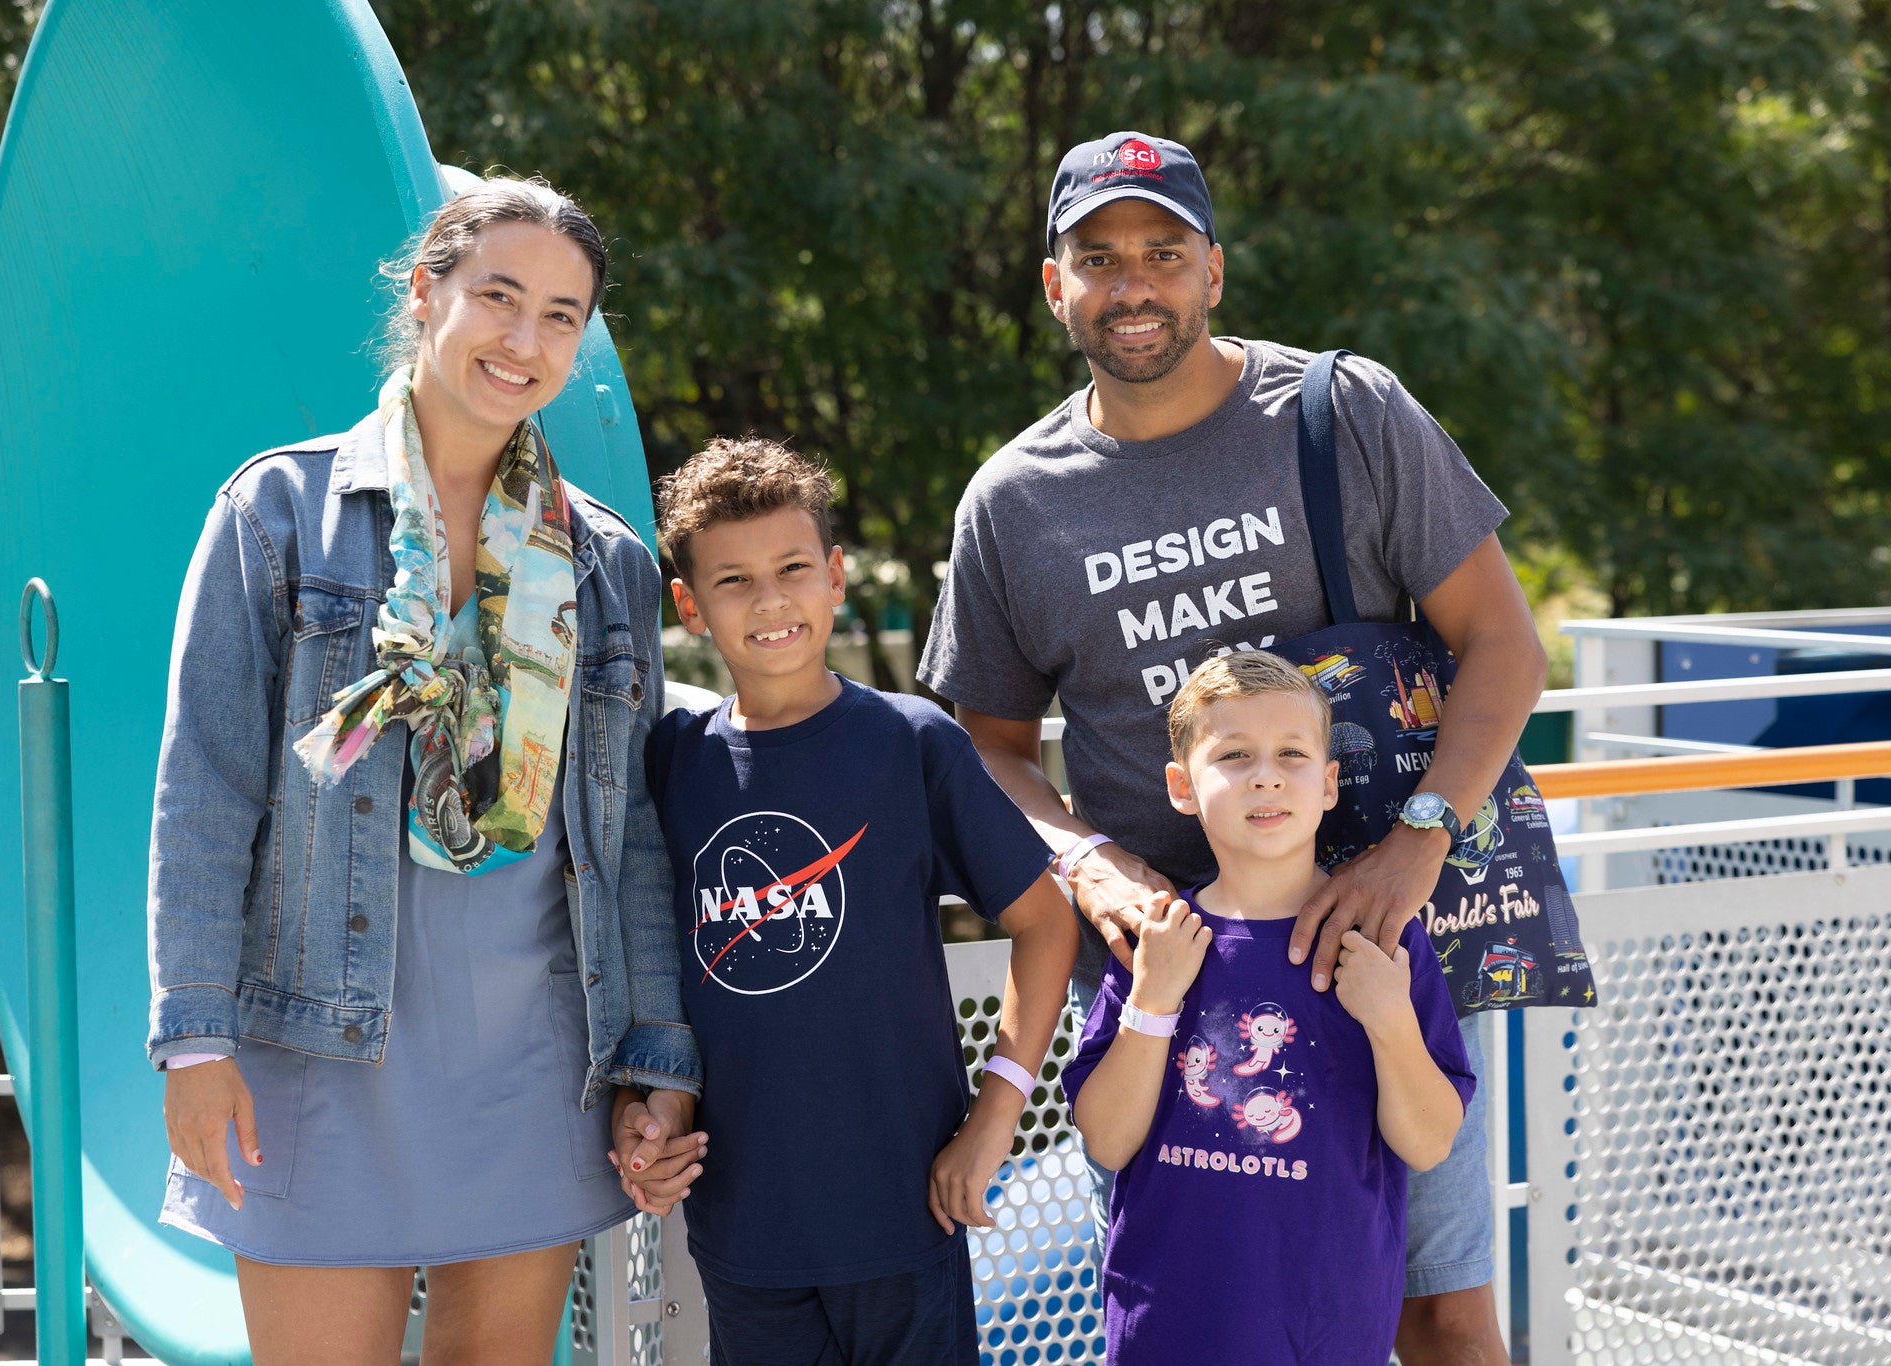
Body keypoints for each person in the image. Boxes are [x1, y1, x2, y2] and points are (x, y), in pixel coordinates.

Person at [919, 130, 1547, 1364]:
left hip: (1365, 952)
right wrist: (1084, 858)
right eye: (1097, 258)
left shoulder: (1342, 412)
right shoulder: (1013, 499)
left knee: (1440, 1316)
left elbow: (1505, 647)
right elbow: (981, 743)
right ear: (1055, 285)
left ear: (1213, 270)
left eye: (1162, 251)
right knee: (1188, 1312)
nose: (1132, 284)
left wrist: (1415, 846)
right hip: (1170, 992)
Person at [145, 176, 703, 1366]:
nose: (524, 339)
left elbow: (632, 839)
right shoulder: (278, 513)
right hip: (312, 1048)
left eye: (562, 315)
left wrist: (657, 1055)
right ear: (424, 291)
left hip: (534, 1057)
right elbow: (206, 787)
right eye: (497, 297)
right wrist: (193, 1043)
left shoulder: (604, 561)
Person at [642, 437, 1080, 1365]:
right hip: (744, 1226)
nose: (770, 601)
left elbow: (1047, 922)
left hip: (905, 1207)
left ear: (835, 576)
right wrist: (646, 1107)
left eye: (793, 568)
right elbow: (646, 963)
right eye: (734, 581)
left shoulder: (911, 742)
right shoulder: (671, 765)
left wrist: (996, 1114)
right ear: (688, 605)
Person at [1064, 652, 1472, 1364]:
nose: (1266, 774)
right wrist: (1155, 1001)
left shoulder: (1383, 939)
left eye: (1292, 752)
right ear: (1181, 787)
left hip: (1328, 1331)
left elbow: (1430, 1142)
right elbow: (1106, 1140)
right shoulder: (1157, 942)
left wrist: (1388, 1019)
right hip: (1166, 1326)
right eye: (1233, 755)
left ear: (1329, 782)